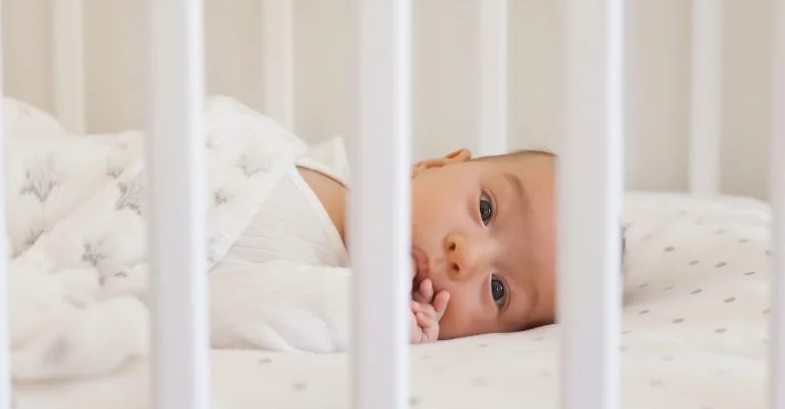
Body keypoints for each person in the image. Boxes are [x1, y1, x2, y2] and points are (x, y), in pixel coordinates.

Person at [206, 98, 559, 351]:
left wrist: (379, 312)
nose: (465, 256)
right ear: (435, 165)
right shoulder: (300, 163)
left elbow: (210, 311)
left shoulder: (330, 300)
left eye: (498, 290)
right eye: (485, 209)